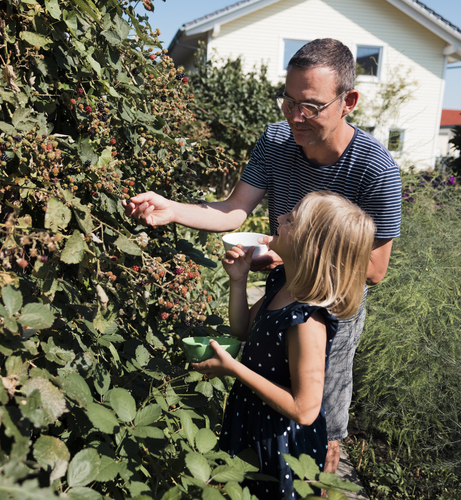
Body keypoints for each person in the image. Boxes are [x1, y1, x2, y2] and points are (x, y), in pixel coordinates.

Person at [123, 38, 402, 472]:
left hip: (330, 310)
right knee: (262, 397)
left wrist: (289, 256)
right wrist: (172, 209)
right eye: (288, 101)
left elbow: (374, 270)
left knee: (320, 425)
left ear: (348, 101)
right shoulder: (276, 139)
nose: (294, 116)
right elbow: (235, 209)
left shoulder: (376, 170)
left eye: (310, 106)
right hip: (283, 288)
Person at [192, 191, 375, 499]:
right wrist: (238, 281)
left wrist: (234, 369)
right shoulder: (282, 282)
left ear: (311, 246)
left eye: (290, 220)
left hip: (280, 442)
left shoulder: (307, 321)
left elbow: (304, 410)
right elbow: (242, 329)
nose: (278, 218)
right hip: (253, 419)